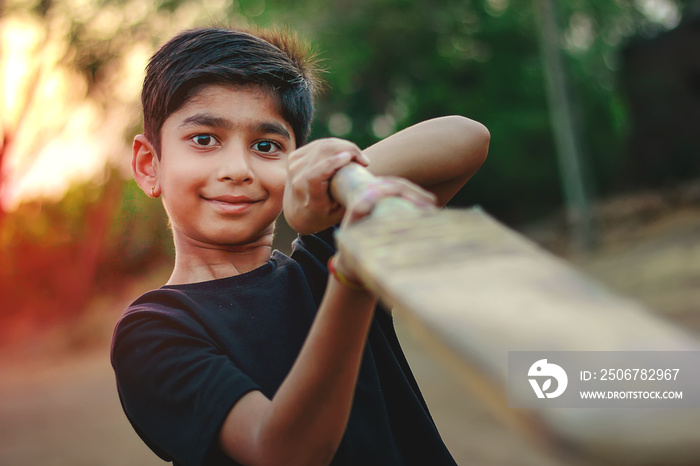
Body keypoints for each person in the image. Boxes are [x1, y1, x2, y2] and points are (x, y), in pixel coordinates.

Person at [111, 25, 489, 466]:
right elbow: (283, 452)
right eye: (204, 139)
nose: (238, 168)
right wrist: (353, 277)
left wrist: (326, 189)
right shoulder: (153, 332)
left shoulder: (322, 254)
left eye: (266, 146)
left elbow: (467, 138)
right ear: (148, 164)